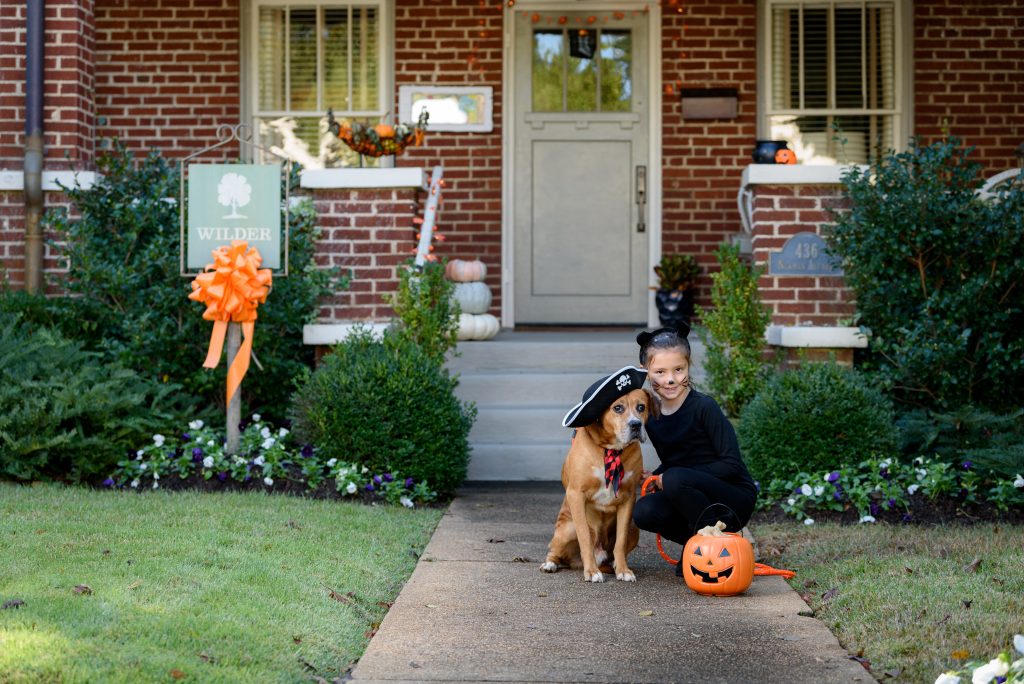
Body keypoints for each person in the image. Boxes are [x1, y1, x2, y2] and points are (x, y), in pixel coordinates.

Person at [631, 323, 758, 572]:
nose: (670, 379)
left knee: (676, 479)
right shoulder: (653, 416)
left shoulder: (704, 407)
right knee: (644, 510)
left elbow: (731, 465)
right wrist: (657, 475)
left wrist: (674, 477)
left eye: (679, 369)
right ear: (646, 372)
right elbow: (674, 459)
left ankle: (714, 544)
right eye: (659, 372)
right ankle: (697, 548)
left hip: (732, 497)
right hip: (690, 491)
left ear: (688, 366)